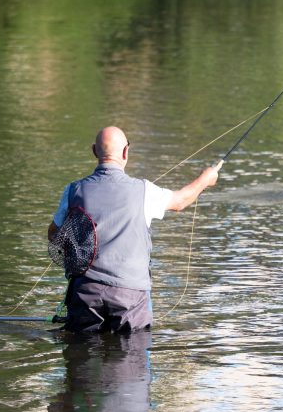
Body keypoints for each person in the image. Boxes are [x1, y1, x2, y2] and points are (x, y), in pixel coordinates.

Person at [48, 126, 219, 334]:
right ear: (125, 152)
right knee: (131, 357)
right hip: (130, 296)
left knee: (82, 356)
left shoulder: (73, 190)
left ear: (94, 151)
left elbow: (54, 235)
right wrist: (205, 179)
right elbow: (180, 201)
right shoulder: (144, 190)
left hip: (85, 292)